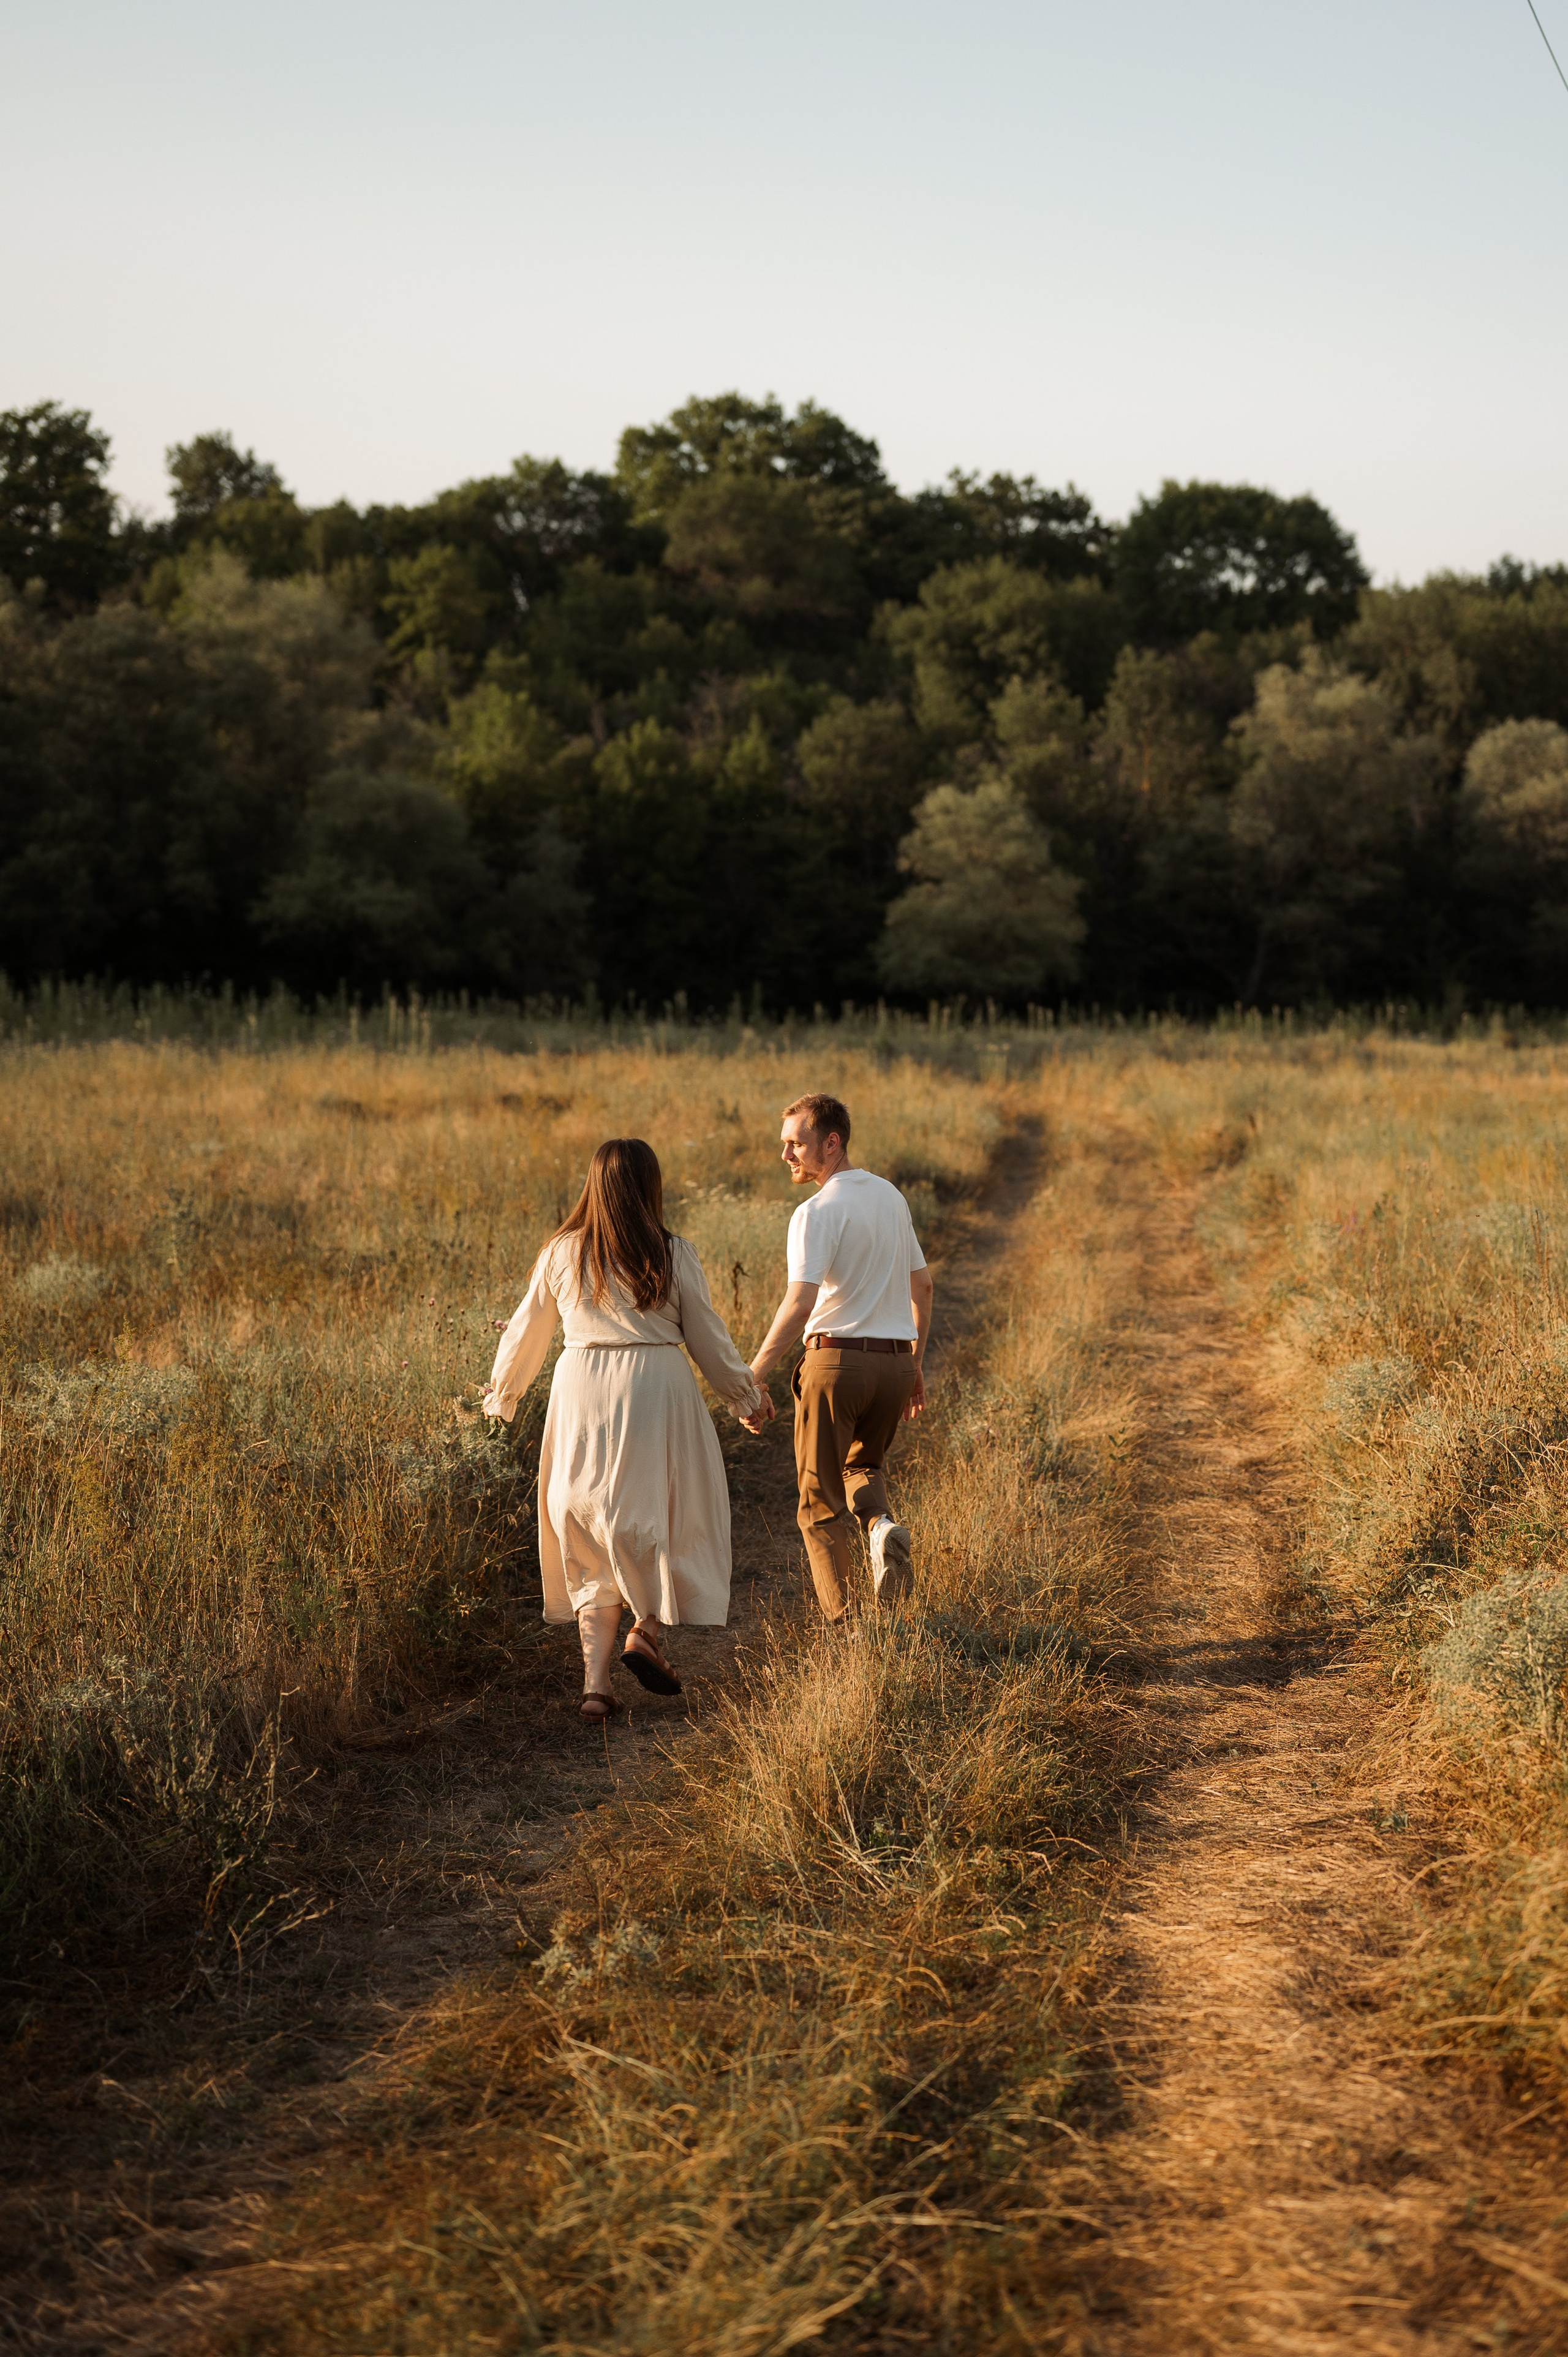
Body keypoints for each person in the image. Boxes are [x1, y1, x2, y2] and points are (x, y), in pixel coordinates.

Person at [483, 1137, 771, 1722]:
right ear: (649, 1188)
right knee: (665, 1512)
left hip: (582, 1386)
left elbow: (525, 1332)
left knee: (586, 1521)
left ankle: (596, 1686)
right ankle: (647, 1628)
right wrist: (746, 1395)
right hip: (656, 1387)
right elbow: (708, 1336)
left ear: (594, 1185)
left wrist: (501, 1398)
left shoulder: (561, 1254)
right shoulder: (671, 1253)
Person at [748, 1093, 933, 1622]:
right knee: (863, 1466)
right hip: (895, 1365)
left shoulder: (816, 1212)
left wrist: (753, 1375)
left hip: (836, 1366)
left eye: (796, 1144)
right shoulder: (891, 1197)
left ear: (832, 1142)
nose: (786, 1156)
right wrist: (914, 1365)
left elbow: (800, 1303)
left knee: (817, 1502)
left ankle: (848, 1629)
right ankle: (880, 1528)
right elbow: (924, 1287)